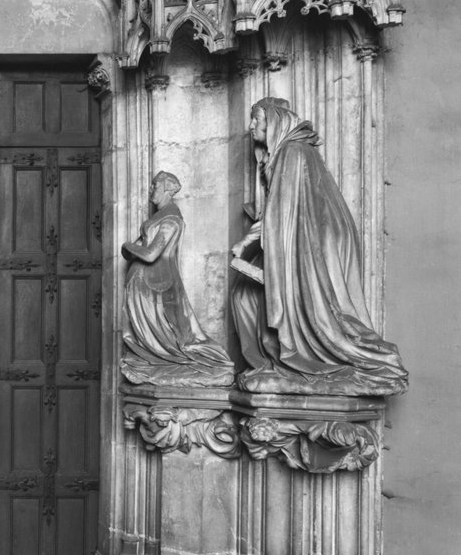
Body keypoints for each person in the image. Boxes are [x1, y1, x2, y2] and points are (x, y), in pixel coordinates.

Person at [230, 98, 407, 395]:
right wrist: (249, 240)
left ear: (273, 121)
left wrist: (246, 241)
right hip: (303, 234)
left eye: (256, 120)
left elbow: (280, 211)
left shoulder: (292, 152)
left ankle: (322, 361)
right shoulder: (289, 153)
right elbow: (278, 209)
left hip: (313, 238)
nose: (250, 126)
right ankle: (281, 360)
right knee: (244, 295)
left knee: (318, 309)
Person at [121, 171, 233, 386]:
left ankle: (188, 363)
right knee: (150, 338)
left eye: (155, 185)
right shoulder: (159, 217)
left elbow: (150, 254)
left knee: (170, 336)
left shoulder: (171, 219)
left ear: (167, 189)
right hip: (145, 284)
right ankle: (153, 361)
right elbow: (141, 247)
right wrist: (133, 248)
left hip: (156, 285)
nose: (151, 190)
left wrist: (127, 246)